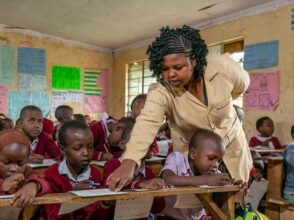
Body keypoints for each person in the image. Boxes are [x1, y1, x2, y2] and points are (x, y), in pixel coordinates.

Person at [107, 25, 252, 190]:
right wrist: (130, 162)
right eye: (164, 69)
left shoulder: (223, 68)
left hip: (232, 150)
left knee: (235, 203)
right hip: (194, 161)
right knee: (199, 208)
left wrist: (220, 102)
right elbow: (146, 123)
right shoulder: (161, 91)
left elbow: (242, 86)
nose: (170, 74)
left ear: (194, 60)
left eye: (177, 67)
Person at [160, 129, 240, 219]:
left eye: (219, 161)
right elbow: (167, 178)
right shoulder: (176, 159)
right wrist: (205, 180)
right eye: (211, 158)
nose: (215, 165)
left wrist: (232, 185)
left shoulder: (211, 172)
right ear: (193, 154)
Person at [38, 120, 106, 219]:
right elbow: (52, 215)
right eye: (78, 148)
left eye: (90, 147)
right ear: (62, 149)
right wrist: (73, 194)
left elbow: (97, 215)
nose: (86, 153)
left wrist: (105, 204)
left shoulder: (96, 174)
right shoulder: (52, 174)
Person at [102, 117, 166, 219]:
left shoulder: (149, 173)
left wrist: (159, 192)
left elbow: (158, 209)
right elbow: (111, 196)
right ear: (122, 144)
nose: (142, 147)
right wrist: (140, 185)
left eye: (146, 142)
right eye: (137, 143)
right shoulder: (112, 165)